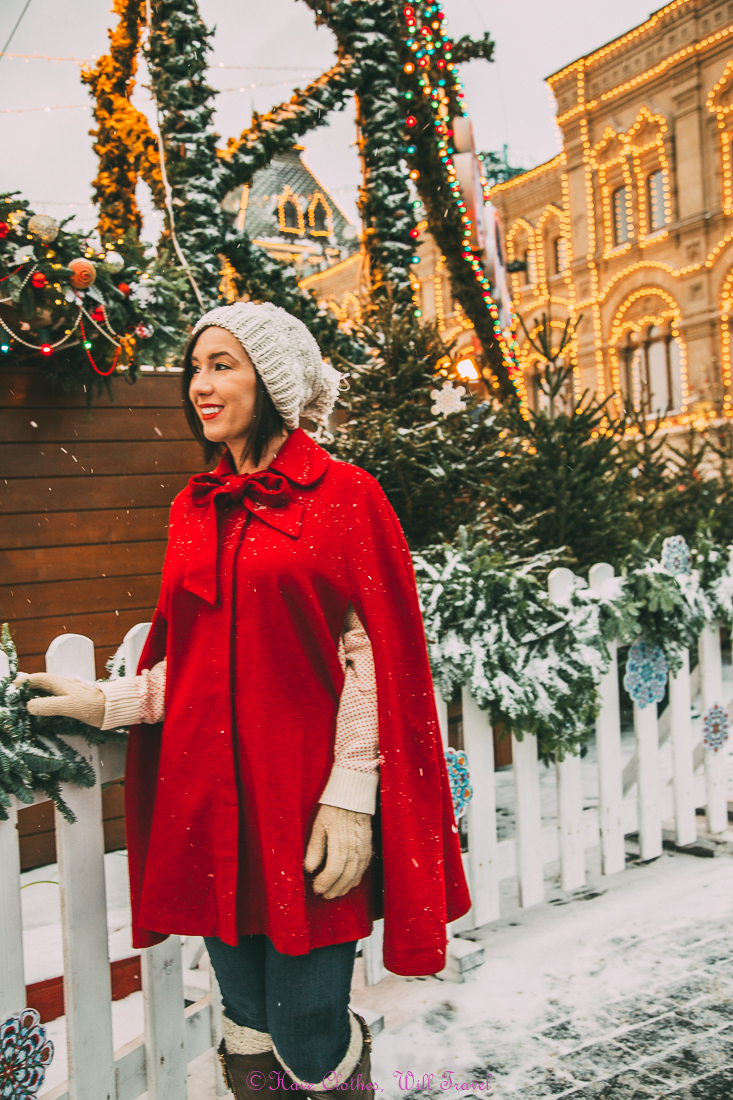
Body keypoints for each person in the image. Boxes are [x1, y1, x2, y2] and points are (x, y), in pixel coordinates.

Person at [21, 302, 470, 1099]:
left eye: (222, 364)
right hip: (217, 809)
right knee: (246, 1017)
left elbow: (373, 664)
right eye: (195, 366)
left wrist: (350, 799)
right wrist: (110, 704)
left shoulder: (345, 495)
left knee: (303, 1025)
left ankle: (344, 1075)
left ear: (275, 379)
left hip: (306, 806)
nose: (199, 383)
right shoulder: (193, 508)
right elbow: (197, 666)